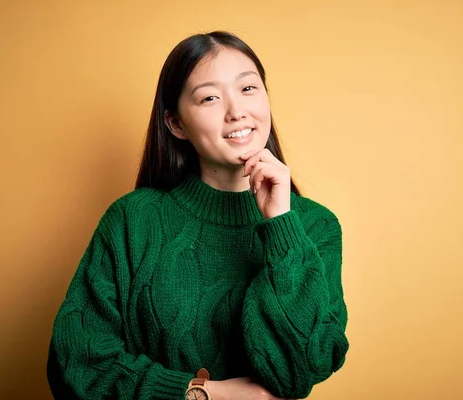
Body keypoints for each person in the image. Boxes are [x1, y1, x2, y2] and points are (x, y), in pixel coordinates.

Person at [47, 31, 349, 400]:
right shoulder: (132, 221)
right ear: (176, 124)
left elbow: (300, 370)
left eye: (249, 89)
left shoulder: (315, 227)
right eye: (209, 97)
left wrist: (280, 225)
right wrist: (203, 394)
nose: (236, 111)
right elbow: (75, 364)